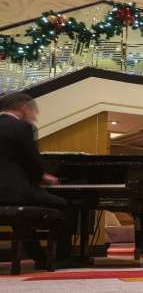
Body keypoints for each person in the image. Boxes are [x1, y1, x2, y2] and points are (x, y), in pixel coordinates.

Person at [0, 92, 74, 268]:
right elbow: (33, 163)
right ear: (24, 108)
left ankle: (40, 257)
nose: (34, 117)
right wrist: (43, 176)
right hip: (15, 193)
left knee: (25, 217)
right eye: (34, 112)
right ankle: (59, 257)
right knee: (66, 206)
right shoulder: (22, 127)